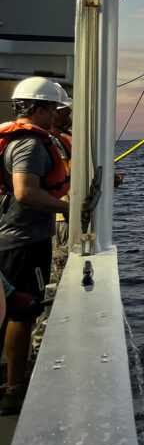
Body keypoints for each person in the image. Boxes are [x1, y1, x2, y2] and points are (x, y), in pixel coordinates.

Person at [0, 77, 71, 415]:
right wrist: (69, 207)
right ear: (39, 109)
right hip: (24, 241)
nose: (57, 115)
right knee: (23, 312)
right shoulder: (29, 145)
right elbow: (25, 193)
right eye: (54, 108)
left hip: (9, 238)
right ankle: (15, 390)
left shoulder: (12, 140)